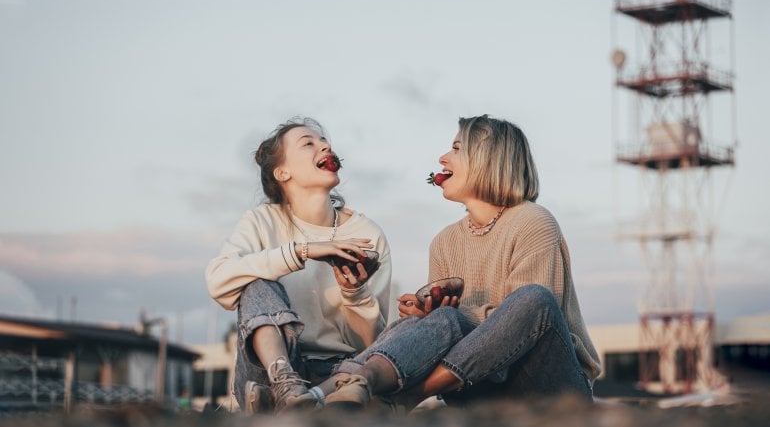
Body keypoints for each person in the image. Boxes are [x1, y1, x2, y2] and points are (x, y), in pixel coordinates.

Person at [321, 114, 601, 410]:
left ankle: (408, 396)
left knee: (534, 298)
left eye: (456, 148)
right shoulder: (444, 242)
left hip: (546, 383)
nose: (442, 158)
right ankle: (348, 383)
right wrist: (425, 313)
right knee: (439, 320)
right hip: (479, 386)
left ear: (489, 159)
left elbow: (529, 321)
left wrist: (456, 316)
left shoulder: (534, 221)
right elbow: (446, 325)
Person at [205, 117, 392, 414]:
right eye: (309, 143)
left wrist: (355, 293)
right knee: (255, 282)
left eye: (324, 141)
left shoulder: (367, 234)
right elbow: (218, 281)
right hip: (266, 375)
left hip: (339, 374)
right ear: (282, 172)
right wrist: (301, 252)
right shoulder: (261, 221)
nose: (325, 145)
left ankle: (312, 398)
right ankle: (286, 387)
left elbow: (372, 344)